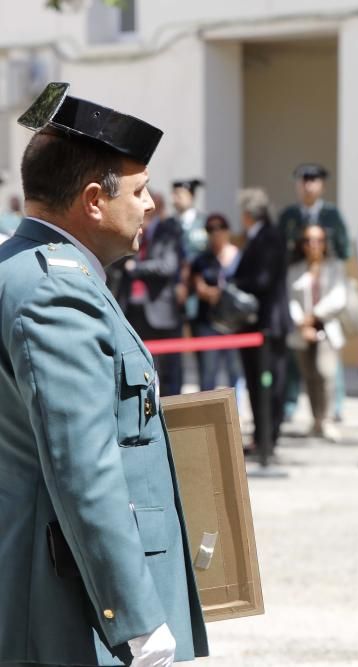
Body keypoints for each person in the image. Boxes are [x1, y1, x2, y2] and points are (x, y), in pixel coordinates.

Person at [0, 82, 207, 665]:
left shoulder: (30, 270)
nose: (151, 206)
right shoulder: (56, 290)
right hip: (70, 605)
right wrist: (137, 622)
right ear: (94, 201)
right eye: (140, 192)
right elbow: (82, 468)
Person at [232, 187, 291, 452]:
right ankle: (261, 435)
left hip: (268, 323)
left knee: (270, 383)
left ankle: (268, 437)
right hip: (256, 324)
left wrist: (234, 283)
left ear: (247, 214)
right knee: (256, 383)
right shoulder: (259, 237)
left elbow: (263, 279)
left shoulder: (269, 237)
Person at [114, 190, 185, 396]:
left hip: (160, 312)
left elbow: (167, 266)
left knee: (168, 373)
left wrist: (136, 268)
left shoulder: (167, 232)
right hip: (133, 309)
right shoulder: (130, 232)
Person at [286, 224, 347, 440]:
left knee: (326, 373)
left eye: (319, 240)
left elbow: (339, 297)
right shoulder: (295, 269)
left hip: (326, 329)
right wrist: (303, 323)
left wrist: (314, 315)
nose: (314, 245)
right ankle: (316, 420)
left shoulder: (335, 267)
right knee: (309, 376)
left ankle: (328, 419)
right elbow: (290, 299)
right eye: (309, 240)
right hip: (303, 331)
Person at [189, 212, 243, 391]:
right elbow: (199, 287)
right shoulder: (201, 259)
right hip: (208, 321)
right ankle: (208, 414)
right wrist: (218, 293)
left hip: (234, 323)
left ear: (227, 231)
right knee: (208, 370)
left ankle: (236, 410)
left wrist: (219, 293)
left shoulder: (239, 257)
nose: (216, 232)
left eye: (220, 228)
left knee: (234, 369)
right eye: (211, 229)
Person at [278, 163, 349, 264]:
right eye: (304, 181)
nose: (308, 186)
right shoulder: (288, 215)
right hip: (295, 270)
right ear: (297, 186)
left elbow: (343, 247)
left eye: (313, 180)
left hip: (326, 270)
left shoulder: (332, 214)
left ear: (323, 186)